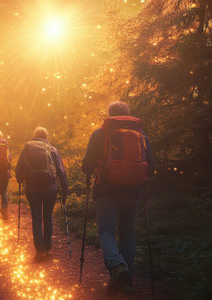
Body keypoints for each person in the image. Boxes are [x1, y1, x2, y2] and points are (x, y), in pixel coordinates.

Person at [82, 101, 155, 295]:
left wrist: (92, 169)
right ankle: (127, 280)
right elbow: (152, 167)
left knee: (106, 231)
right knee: (128, 233)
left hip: (106, 190)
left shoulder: (101, 133)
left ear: (109, 115)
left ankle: (117, 266)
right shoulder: (141, 134)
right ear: (128, 114)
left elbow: (86, 165)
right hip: (133, 191)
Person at [16, 127, 69, 262]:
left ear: (34, 135)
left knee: (37, 219)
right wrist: (65, 190)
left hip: (33, 189)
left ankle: (40, 251)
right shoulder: (52, 149)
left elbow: (19, 167)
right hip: (50, 189)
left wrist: (20, 179)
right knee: (48, 218)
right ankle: (47, 247)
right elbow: (61, 171)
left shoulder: (27, 147)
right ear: (46, 136)